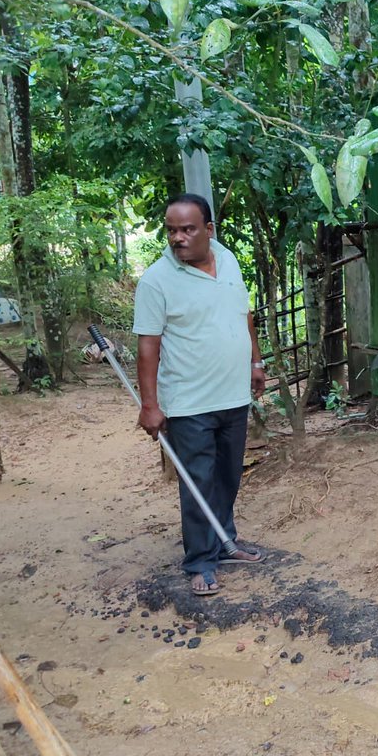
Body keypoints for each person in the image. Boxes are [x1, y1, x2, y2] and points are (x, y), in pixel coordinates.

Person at [133, 193, 267, 596]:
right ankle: (200, 560)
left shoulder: (227, 259)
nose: (178, 238)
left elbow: (243, 314)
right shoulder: (156, 281)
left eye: (188, 229)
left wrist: (255, 363)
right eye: (172, 230)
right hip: (189, 402)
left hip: (232, 395)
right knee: (197, 482)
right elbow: (148, 347)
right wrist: (151, 405)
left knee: (227, 475)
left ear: (208, 230)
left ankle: (224, 541)